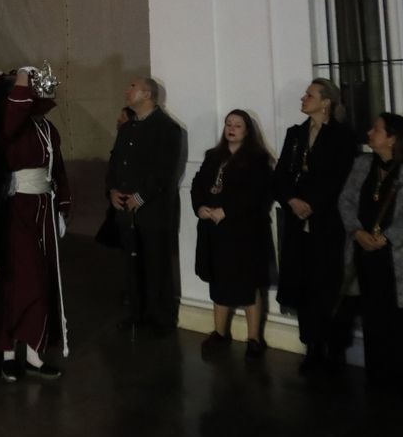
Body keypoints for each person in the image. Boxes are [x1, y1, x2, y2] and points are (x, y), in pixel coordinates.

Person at [338, 113, 403, 395]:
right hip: (367, 256)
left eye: (377, 129)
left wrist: (387, 238)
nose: (370, 132)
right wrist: (357, 232)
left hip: (402, 258)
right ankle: (379, 379)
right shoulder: (362, 165)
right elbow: (345, 200)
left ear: (393, 137)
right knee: (374, 318)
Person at [272, 79, 358, 375]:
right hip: (297, 222)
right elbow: (282, 173)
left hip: (327, 222)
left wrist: (313, 204)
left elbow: (340, 177)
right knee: (304, 284)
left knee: (329, 284)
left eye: (310, 95)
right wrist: (292, 200)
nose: (303, 98)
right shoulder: (295, 134)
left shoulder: (342, 136)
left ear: (326, 102)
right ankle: (311, 346)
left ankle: (334, 348)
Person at [0, 66, 71, 380]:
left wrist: (63, 208)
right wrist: (23, 79)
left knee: (44, 279)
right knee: (20, 280)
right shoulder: (12, 125)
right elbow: (13, 117)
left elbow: (58, 170)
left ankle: (37, 353)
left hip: (43, 208)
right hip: (18, 209)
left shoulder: (48, 129)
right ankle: (9, 351)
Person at [190, 110, 275, 358]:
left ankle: (254, 337)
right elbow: (198, 184)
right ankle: (219, 332)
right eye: (228, 124)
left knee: (249, 283)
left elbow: (257, 193)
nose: (232, 128)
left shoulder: (257, 159)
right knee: (219, 280)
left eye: (237, 125)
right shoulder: (213, 156)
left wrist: (227, 211)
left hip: (244, 230)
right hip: (214, 229)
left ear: (247, 130)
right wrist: (200, 207)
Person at [106, 78, 185, 332]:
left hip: (153, 211)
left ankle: (160, 318)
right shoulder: (127, 128)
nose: (127, 91)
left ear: (147, 94)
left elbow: (165, 171)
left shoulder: (167, 128)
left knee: (156, 264)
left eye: (132, 87)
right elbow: (115, 162)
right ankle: (136, 313)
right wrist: (112, 190)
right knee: (132, 264)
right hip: (126, 210)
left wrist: (140, 197)